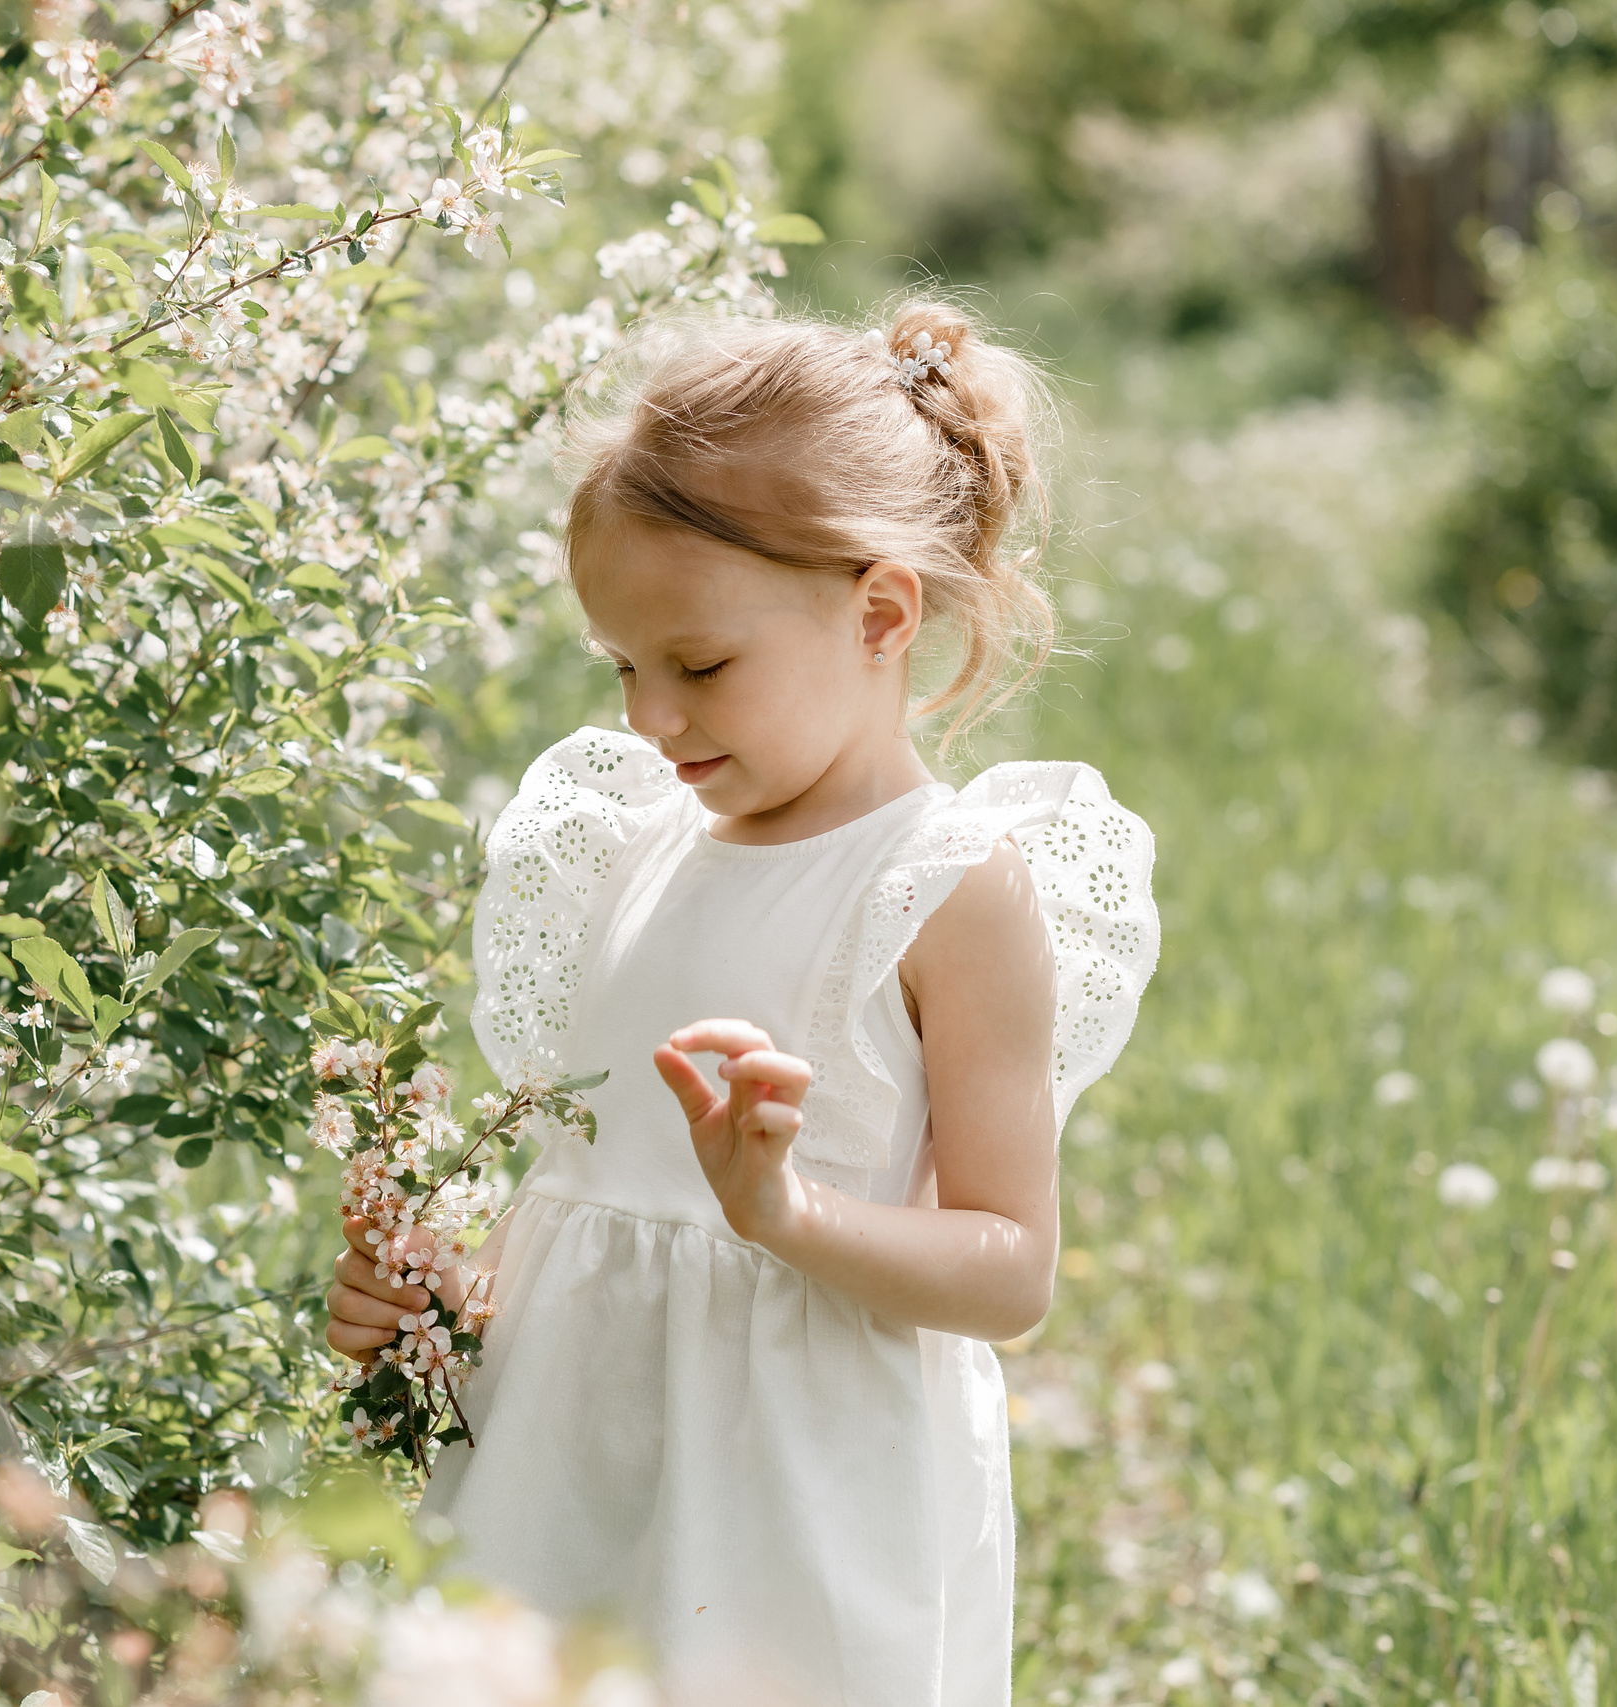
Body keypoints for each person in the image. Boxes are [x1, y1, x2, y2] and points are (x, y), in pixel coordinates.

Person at [321, 302, 1161, 1706]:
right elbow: (595, 1221)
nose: (653, 718)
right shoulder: (621, 847)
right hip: (560, 1479)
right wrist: (441, 1306)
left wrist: (784, 1214)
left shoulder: (943, 888)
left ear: (881, 613)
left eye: (700, 666)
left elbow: (1010, 1265)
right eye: (624, 667)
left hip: (796, 1514)